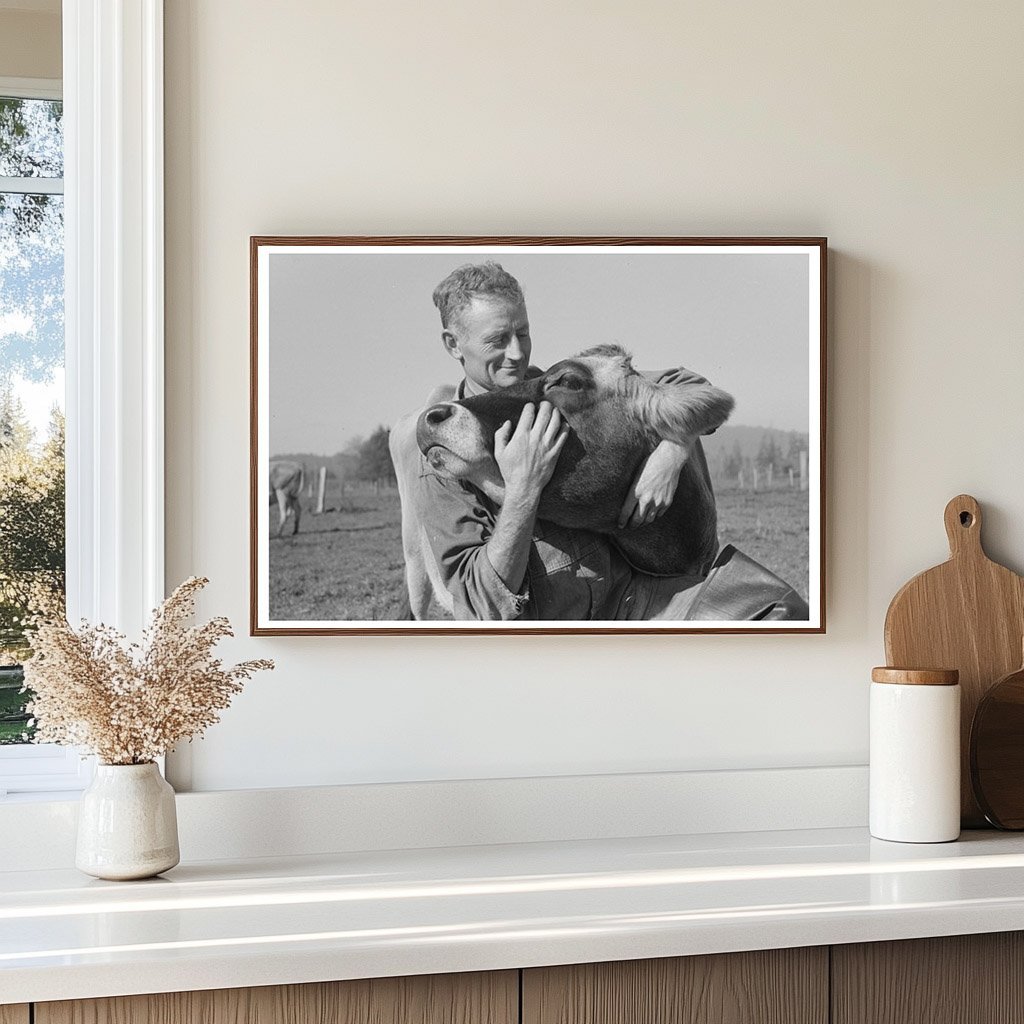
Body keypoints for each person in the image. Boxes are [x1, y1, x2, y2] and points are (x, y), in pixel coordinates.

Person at [389, 262, 726, 621]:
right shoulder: (446, 453)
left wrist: (673, 449)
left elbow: (690, 388)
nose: (517, 354)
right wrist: (522, 490)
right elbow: (478, 610)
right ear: (453, 344)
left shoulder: (556, 388)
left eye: (523, 332)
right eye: (498, 340)